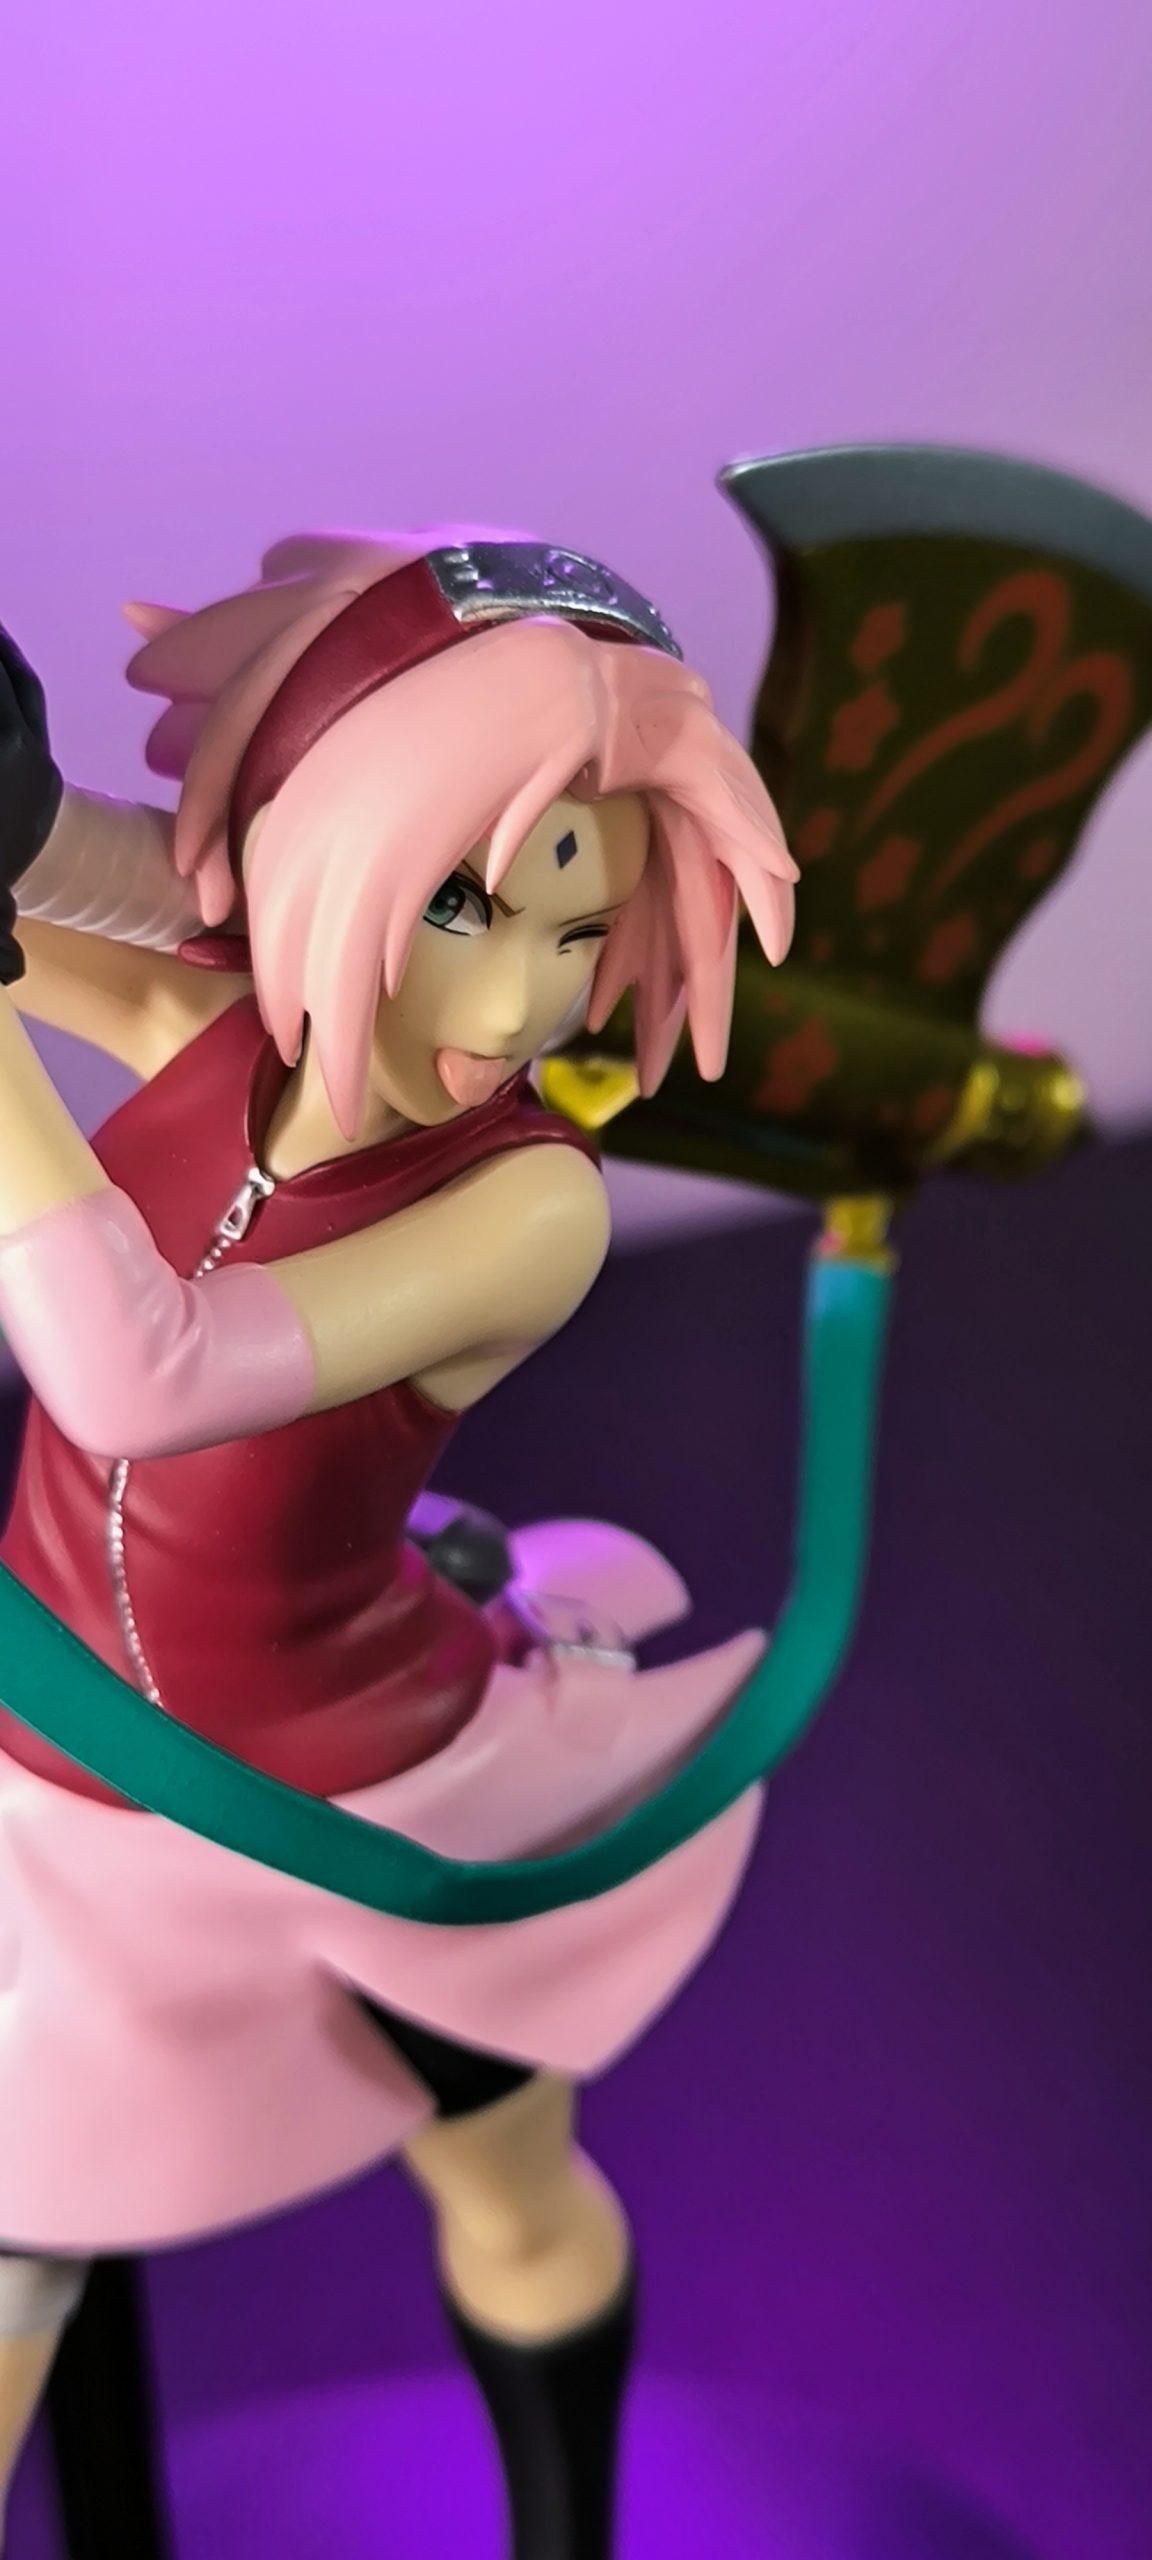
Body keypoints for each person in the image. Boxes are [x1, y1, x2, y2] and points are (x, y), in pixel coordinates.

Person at [0, 527, 796, 2557]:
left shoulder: (530, 1204)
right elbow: (80, 883)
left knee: (505, 2185)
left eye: (574, 925)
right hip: (69, 1800)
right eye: (460, 904)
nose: (515, 1000)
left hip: (372, 1797)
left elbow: (140, 1372)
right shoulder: (232, 1020)